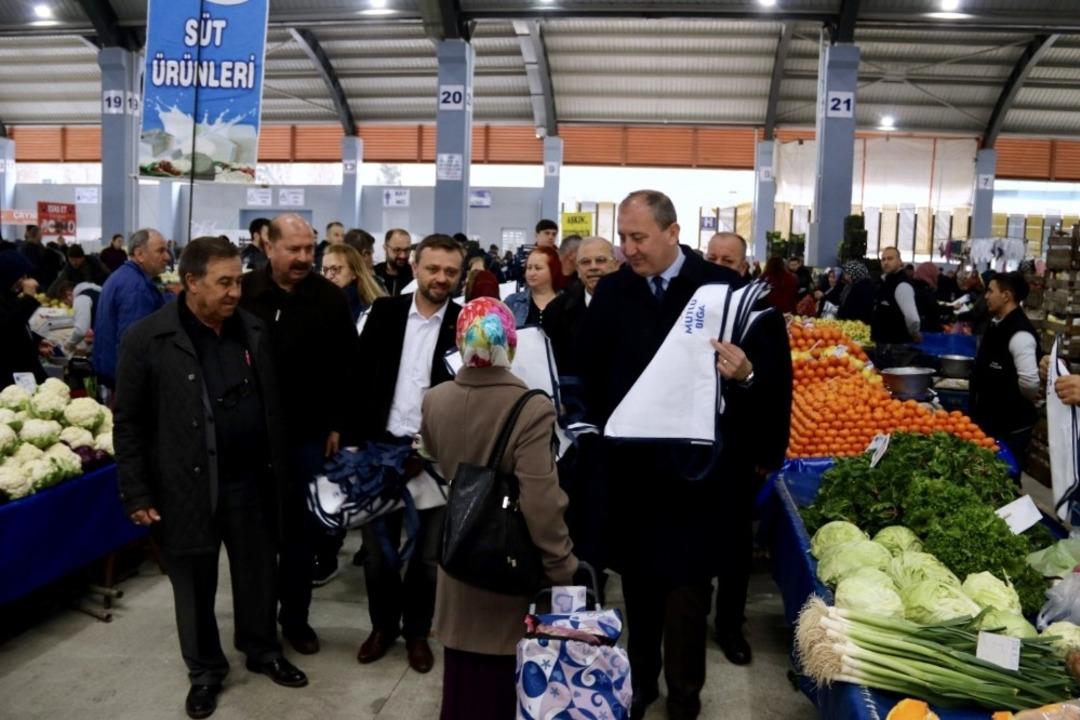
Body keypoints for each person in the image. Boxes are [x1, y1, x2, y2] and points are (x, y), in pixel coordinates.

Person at [579, 190, 790, 719]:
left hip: (701, 480)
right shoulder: (614, 294)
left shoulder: (728, 292)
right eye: (622, 237)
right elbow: (589, 372)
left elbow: (774, 378)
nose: (627, 249)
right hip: (633, 476)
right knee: (640, 589)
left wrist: (747, 377)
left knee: (688, 593)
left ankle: (685, 697)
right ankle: (641, 683)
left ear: (673, 233)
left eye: (639, 237)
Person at [115, 237, 308, 719]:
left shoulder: (253, 330)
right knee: (194, 585)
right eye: (224, 283)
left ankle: (262, 650)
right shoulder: (148, 338)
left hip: (252, 482)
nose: (235, 292)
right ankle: (204, 672)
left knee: (259, 573)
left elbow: (274, 405)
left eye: (239, 281)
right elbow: (129, 422)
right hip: (185, 486)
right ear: (190, 283)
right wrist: (136, 490)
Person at [421, 297, 578, 720]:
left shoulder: (434, 399)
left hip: (458, 553)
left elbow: (434, 455)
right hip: (508, 565)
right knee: (502, 684)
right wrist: (560, 563)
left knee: (461, 681)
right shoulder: (532, 407)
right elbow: (540, 499)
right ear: (510, 345)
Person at [239, 213, 360, 656]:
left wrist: (337, 425)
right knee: (254, 536)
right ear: (268, 246)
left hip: (310, 438)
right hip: (251, 437)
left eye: (310, 249)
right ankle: (255, 627)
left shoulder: (329, 299)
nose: (305, 257)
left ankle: (296, 620)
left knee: (301, 534)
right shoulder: (245, 293)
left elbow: (348, 368)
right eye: (294, 249)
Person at [354, 233, 464, 674]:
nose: (441, 278)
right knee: (378, 551)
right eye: (433, 269)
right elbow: (359, 378)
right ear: (415, 268)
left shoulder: (465, 323)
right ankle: (382, 627)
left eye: (451, 272)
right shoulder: (383, 313)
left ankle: (418, 633)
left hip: (436, 459)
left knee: (426, 557)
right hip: (381, 450)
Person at [970, 272, 1040, 470]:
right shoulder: (996, 324)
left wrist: (1014, 399)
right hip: (991, 422)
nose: (986, 296)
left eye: (991, 291)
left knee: (1007, 475)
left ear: (1006, 296)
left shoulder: (1020, 334)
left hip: (1010, 427)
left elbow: (1030, 383)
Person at [92, 228, 171, 390]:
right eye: (160, 251)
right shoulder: (136, 289)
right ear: (140, 254)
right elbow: (134, 344)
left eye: (167, 250)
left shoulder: (122, 276)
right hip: (126, 378)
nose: (167, 257)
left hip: (109, 368)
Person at [542, 237, 616, 377]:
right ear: (578, 270)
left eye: (600, 260)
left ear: (615, 265)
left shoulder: (636, 306)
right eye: (585, 262)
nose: (593, 267)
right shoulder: (556, 310)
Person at [0, 252, 51, 385]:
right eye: (20, 276)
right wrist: (28, 298)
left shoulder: (11, 297)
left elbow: (19, 330)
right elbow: (8, 327)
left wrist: (35, 344)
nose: (24, 281)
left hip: (25, 375)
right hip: (9, 379)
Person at [871, 247, 921, 366]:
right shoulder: (884, 282)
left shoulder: (902, 285)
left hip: (896, 350)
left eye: (890, 258)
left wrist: (914, 333)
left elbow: (912, 317)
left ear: (899, 261)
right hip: (884, 347)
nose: (886, 262)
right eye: (883, 259)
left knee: (894, 382)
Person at [321, 244, 387, 324]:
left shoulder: (369, 308)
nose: (328, 276)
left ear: (354, 272)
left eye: (335, 269)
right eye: (325, 270)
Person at [503, 246, 567, 327]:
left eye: (538, 268)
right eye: (529, 268)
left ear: (553, 270)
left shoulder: (568, 304)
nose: (531, 273)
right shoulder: (512, 302)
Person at [19, 224, 64, 289]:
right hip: (36, 280)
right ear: (37, 235)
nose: (42, 237)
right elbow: (36, 265)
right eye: (41, 235)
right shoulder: (32, 248)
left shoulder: (24, 247)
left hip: (33, 279)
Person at [375, 229, 414, 296]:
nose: (403, 256)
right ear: (385, 248)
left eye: (407, 250)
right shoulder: (374, 274)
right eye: (397, 250)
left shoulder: (415, 275)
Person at [66, 281, 101, 352]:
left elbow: (80, 331)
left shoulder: (81, 298)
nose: (70, 306)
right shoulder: (94, 290)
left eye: (66, 303)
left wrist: (68, 345)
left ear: (69, 295)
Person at [837, 259, 875, 324]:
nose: (845, 276)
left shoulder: (862, 287)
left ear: (854, 273)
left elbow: (856, 309)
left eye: (847, 273)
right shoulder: (851, 285)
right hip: (850, 323)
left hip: (857, 325)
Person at [912, 262, 944, 333]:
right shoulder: (923, 289)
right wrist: (952, 308)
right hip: (925, 332)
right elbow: (934, 309)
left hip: (919, 329)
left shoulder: (915, 285)